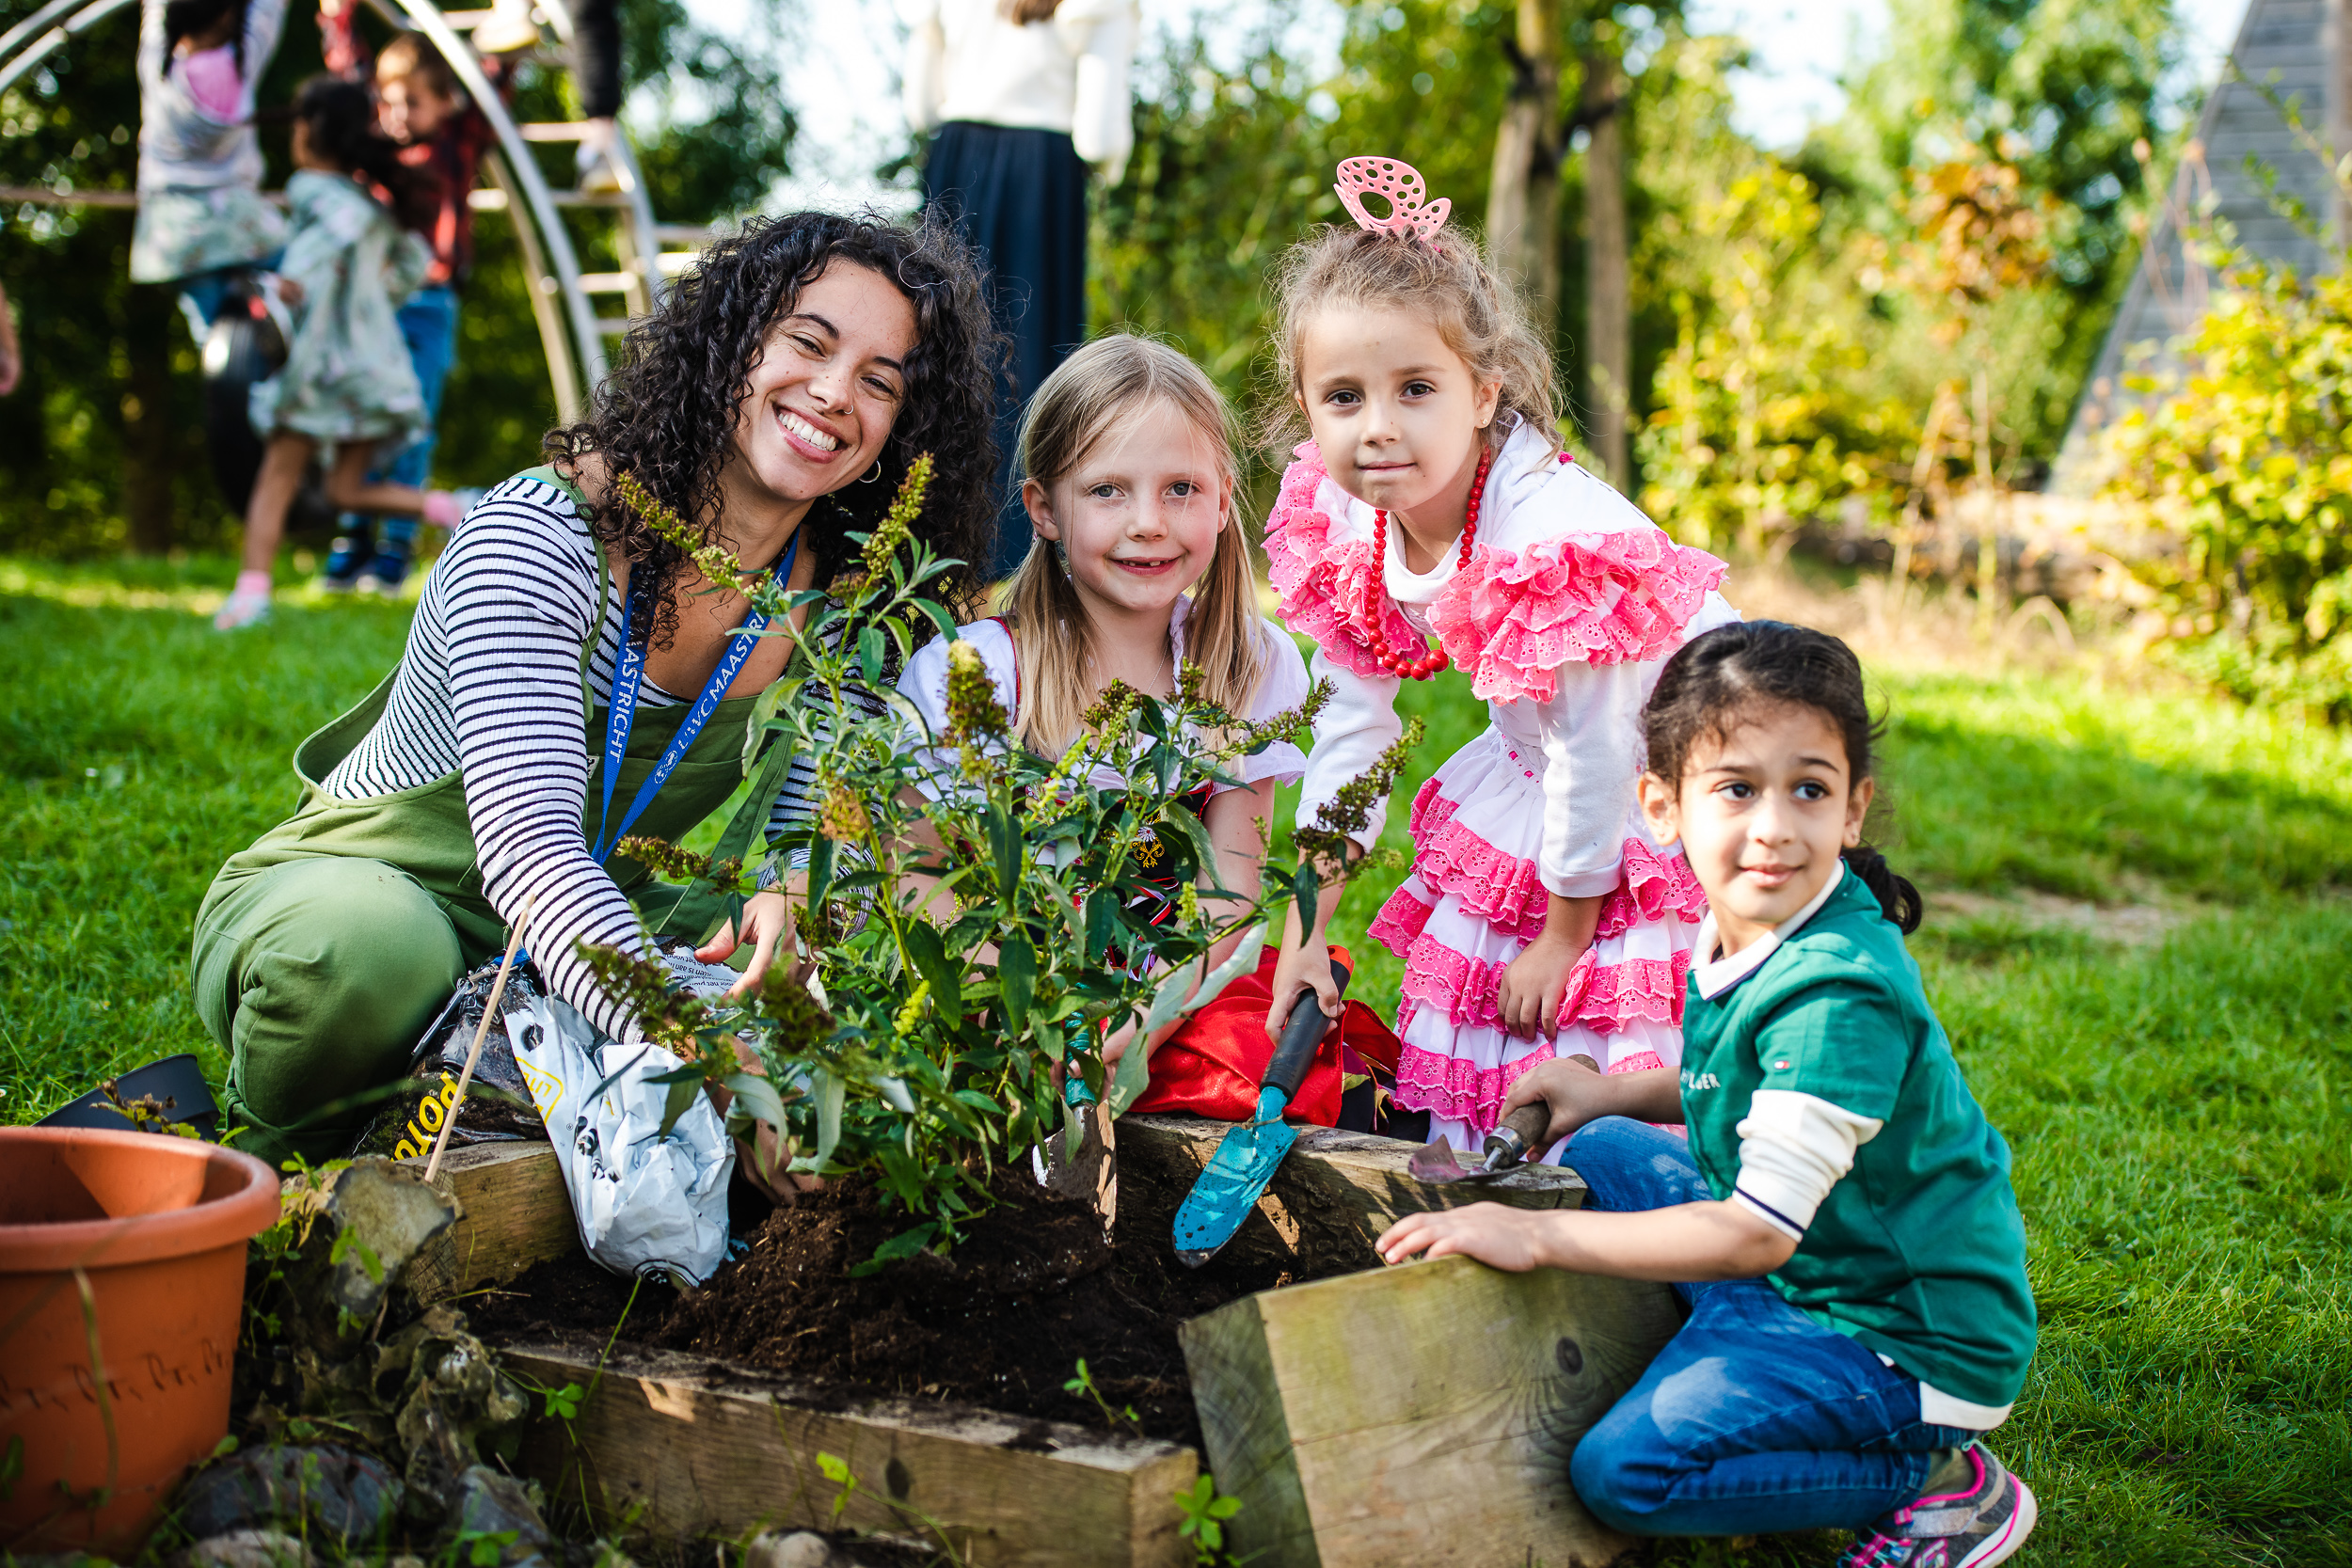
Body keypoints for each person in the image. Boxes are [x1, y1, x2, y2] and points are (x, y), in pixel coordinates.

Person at [190, 212, 1002, 1164]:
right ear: (731, 343)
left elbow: (807, 841)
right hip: (372, 889)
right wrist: (692, 1042)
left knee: (816, 984)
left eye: (879, 382)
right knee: (374, 957)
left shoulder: (851, 603)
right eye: (808, 343)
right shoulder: (540, 533)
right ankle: (279, 1157)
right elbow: (531, 849)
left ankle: (514, 1132)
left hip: (578, 915)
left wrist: (791, 907)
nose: (833, 394)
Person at [1375, 622, 2040, 1568]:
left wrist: (1533, 1234)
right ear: (1659, 804)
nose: (1771, 826)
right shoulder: (1750, 924)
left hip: (1894, 1334)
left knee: (1626, 1472)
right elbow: (1738, 1088)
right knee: (1602, 1146)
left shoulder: (1836, 992)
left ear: (1852, 810)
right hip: (1812, 1259)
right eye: (1735, 788)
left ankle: (1940, 1484)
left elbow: (1757, 1231)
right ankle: (1727, 1333)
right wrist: (1605, 1091)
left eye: (1807, 789)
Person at [1261, 157, 1737, 1155]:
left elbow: (1601, 751)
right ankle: (1484, 1178)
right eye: (1342, 397)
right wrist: (1310, 927)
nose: (1378, 426)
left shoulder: (1547, 536)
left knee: (1589, 998)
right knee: (1484, 978)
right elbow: (1352, 725)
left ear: (1483, 393)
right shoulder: (1345, 517)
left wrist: (1564, 933)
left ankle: (1613, 1187)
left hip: (1676, 772)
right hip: (1540, 759)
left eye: (1415, 388)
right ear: (1305, 407)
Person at [896, 333, 1399, 1122]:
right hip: (1002, 980)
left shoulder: (1243, 664)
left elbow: (1226, 902)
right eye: (1106, 491)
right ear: (1044, 508)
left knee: (1279, 1067)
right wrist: (1028, 1002)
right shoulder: (982, 673)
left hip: (1176, 987)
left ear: (1224, 499)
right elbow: (916, 872)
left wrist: (1138, 1020)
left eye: (1179, 489)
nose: (1147, 523)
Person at [214, 75, 469, 631]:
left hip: (322, 366)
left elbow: (311, 260)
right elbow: (411, 262)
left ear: (309, 131)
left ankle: (250, 597)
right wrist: (371, 303)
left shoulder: (312, 190)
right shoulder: (370, 206)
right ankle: (452, 510)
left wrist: (289, 286)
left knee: (275, 479)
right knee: (343, 489)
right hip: (374, 364)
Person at [905, 0, 1137, 578]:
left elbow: (919, 106)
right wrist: (1107, 170)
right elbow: (1101, 136)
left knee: (938, 342)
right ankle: (1014, 549)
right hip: (1043, 171)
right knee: (1031, 350)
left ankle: (918, 535)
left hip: (955, 162)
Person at [314, 14, 507, 594]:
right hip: (371, 305)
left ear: (446, 102)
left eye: (414, 102)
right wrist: (337, 17)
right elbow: (349, 72)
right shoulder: (373, 148)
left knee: (413, 420)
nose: (397, 115)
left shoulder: (457, 139)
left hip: (428, 303)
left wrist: (509, 27)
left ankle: (395, 548)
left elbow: (492, 75)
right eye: (390, 102)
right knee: (357, 414)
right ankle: (353, 539)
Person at [133, 0, 291, 336]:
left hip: (178, 232)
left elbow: (154, 15)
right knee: (295, 268)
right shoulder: (239, 66)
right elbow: (267, 15)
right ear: (227, 15)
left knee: (213, 338)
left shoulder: (156, 70)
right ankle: (272, 308)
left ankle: (229, 371)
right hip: (239, 222)